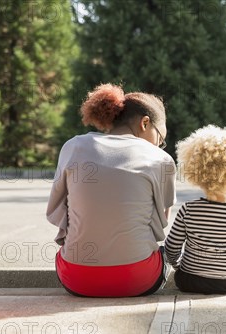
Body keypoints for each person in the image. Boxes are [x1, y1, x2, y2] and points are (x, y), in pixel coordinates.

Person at [46, 83, 176, 297]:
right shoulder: (160, 159)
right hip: (138, 280)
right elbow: (160, 224)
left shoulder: (73, 147)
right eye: (160, 139)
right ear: (145, 123)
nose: (159, 146)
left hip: (77, 279)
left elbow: (56, 211)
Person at [164, 125, 226, 294]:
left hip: (190, 281)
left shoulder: (188, 210)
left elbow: (171, 250)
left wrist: (180, 267)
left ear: (196, 170)